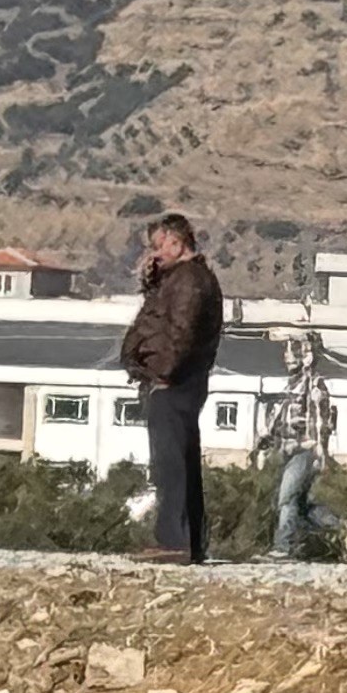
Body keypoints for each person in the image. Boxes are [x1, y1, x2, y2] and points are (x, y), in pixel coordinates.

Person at [119, 213, 225, 564]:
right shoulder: (180, 279)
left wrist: (164, 373)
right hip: (176, 383)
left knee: (171, 464)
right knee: (179, 460)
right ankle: (188, 543)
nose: (154, 254)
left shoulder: (189, 281)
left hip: (175, 384)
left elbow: (181, 332)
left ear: (176, 243)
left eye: (158, 246)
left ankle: (175, 542)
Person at [261, 328, 341, 561]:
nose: (287, 358)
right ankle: (341, 528)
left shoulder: (314, 385)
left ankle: (283, 548)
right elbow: (279, 420)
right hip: (287, 451)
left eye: (293, 352)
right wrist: (266, 442)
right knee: (299, 504)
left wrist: (320, 452)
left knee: (286, 499)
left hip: (305, 452)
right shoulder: (290, 386)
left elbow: (320, 421)